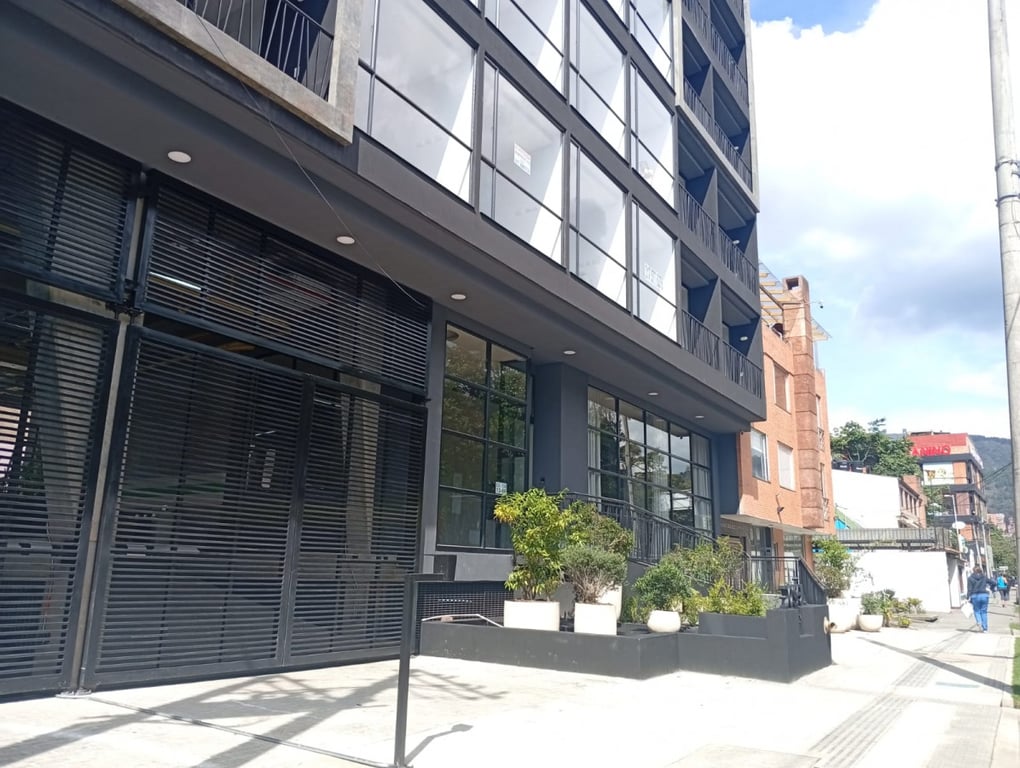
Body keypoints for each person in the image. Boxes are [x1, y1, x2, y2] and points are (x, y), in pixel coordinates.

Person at [966, 566, 993, 632]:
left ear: (973, 571)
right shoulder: (984, 577)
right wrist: (991, 589)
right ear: (981, 570)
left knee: (976, 610)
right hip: (984, 595)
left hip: (975, 596)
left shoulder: (970, 578)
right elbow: (993, 583)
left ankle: (979, 622)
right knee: (984, 612)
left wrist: (967, 597)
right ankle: (985, 628)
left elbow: (969, 589)